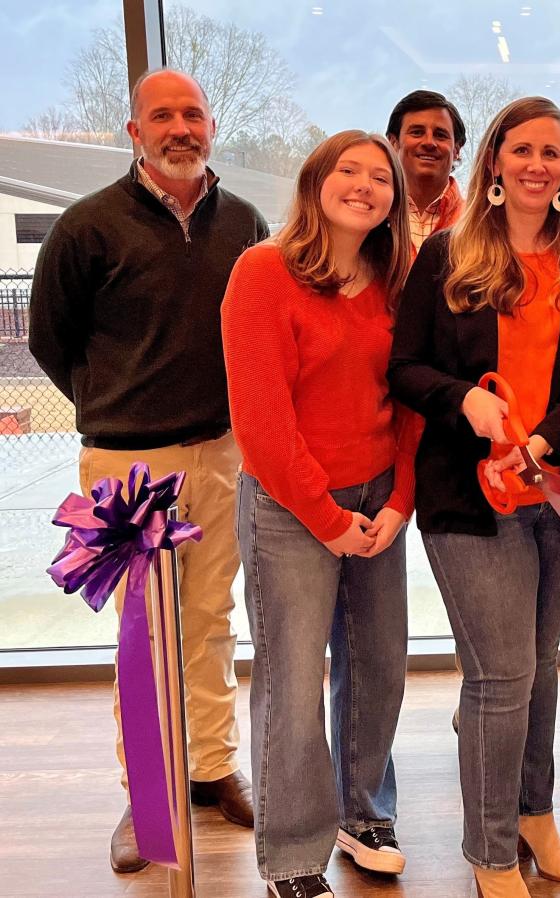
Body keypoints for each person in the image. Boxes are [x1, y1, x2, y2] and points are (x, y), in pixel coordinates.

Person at [28, 68, 267, 874]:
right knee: (145, 633)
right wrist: (117, 404)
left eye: (193, 113)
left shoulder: (244, 222)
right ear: (134, 131)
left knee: (208, 618)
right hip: (130, 464)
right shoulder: (87, 226)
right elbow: (50, 343)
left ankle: (209, 769)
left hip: (224, 452)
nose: (180, 128)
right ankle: (146, 793)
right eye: (161, 115)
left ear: (211, 126)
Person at [388, 96, 560, 898]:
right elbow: (406, 369)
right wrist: (465, 401)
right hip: (469, 499)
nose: (536, 165)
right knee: (498, 676)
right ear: (492, 161)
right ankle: (490, 853)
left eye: (552, 153)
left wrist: (546, 438)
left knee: (537, 666)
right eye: (521, 150)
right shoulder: (448, 257)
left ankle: (534, 817)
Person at [222, 130, 418, 898]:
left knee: (379, 667)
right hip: (289, 505)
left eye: (382, 177)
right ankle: (295, 856)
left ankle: (363, 812)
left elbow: (408, 403)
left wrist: (399, 500)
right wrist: (328, 519)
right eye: (350, 170)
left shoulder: (393, 278)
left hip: (378, 498)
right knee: (294, 679)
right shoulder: (263, 271)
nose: (366, 186)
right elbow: (263, 425)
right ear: (315, 180)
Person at [385, 89, 466, 253]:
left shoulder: (479, 223)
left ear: (456, 150)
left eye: (440, 135)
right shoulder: (370, 217)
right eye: (417, 132)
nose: (429, 142)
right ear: (393, 143)